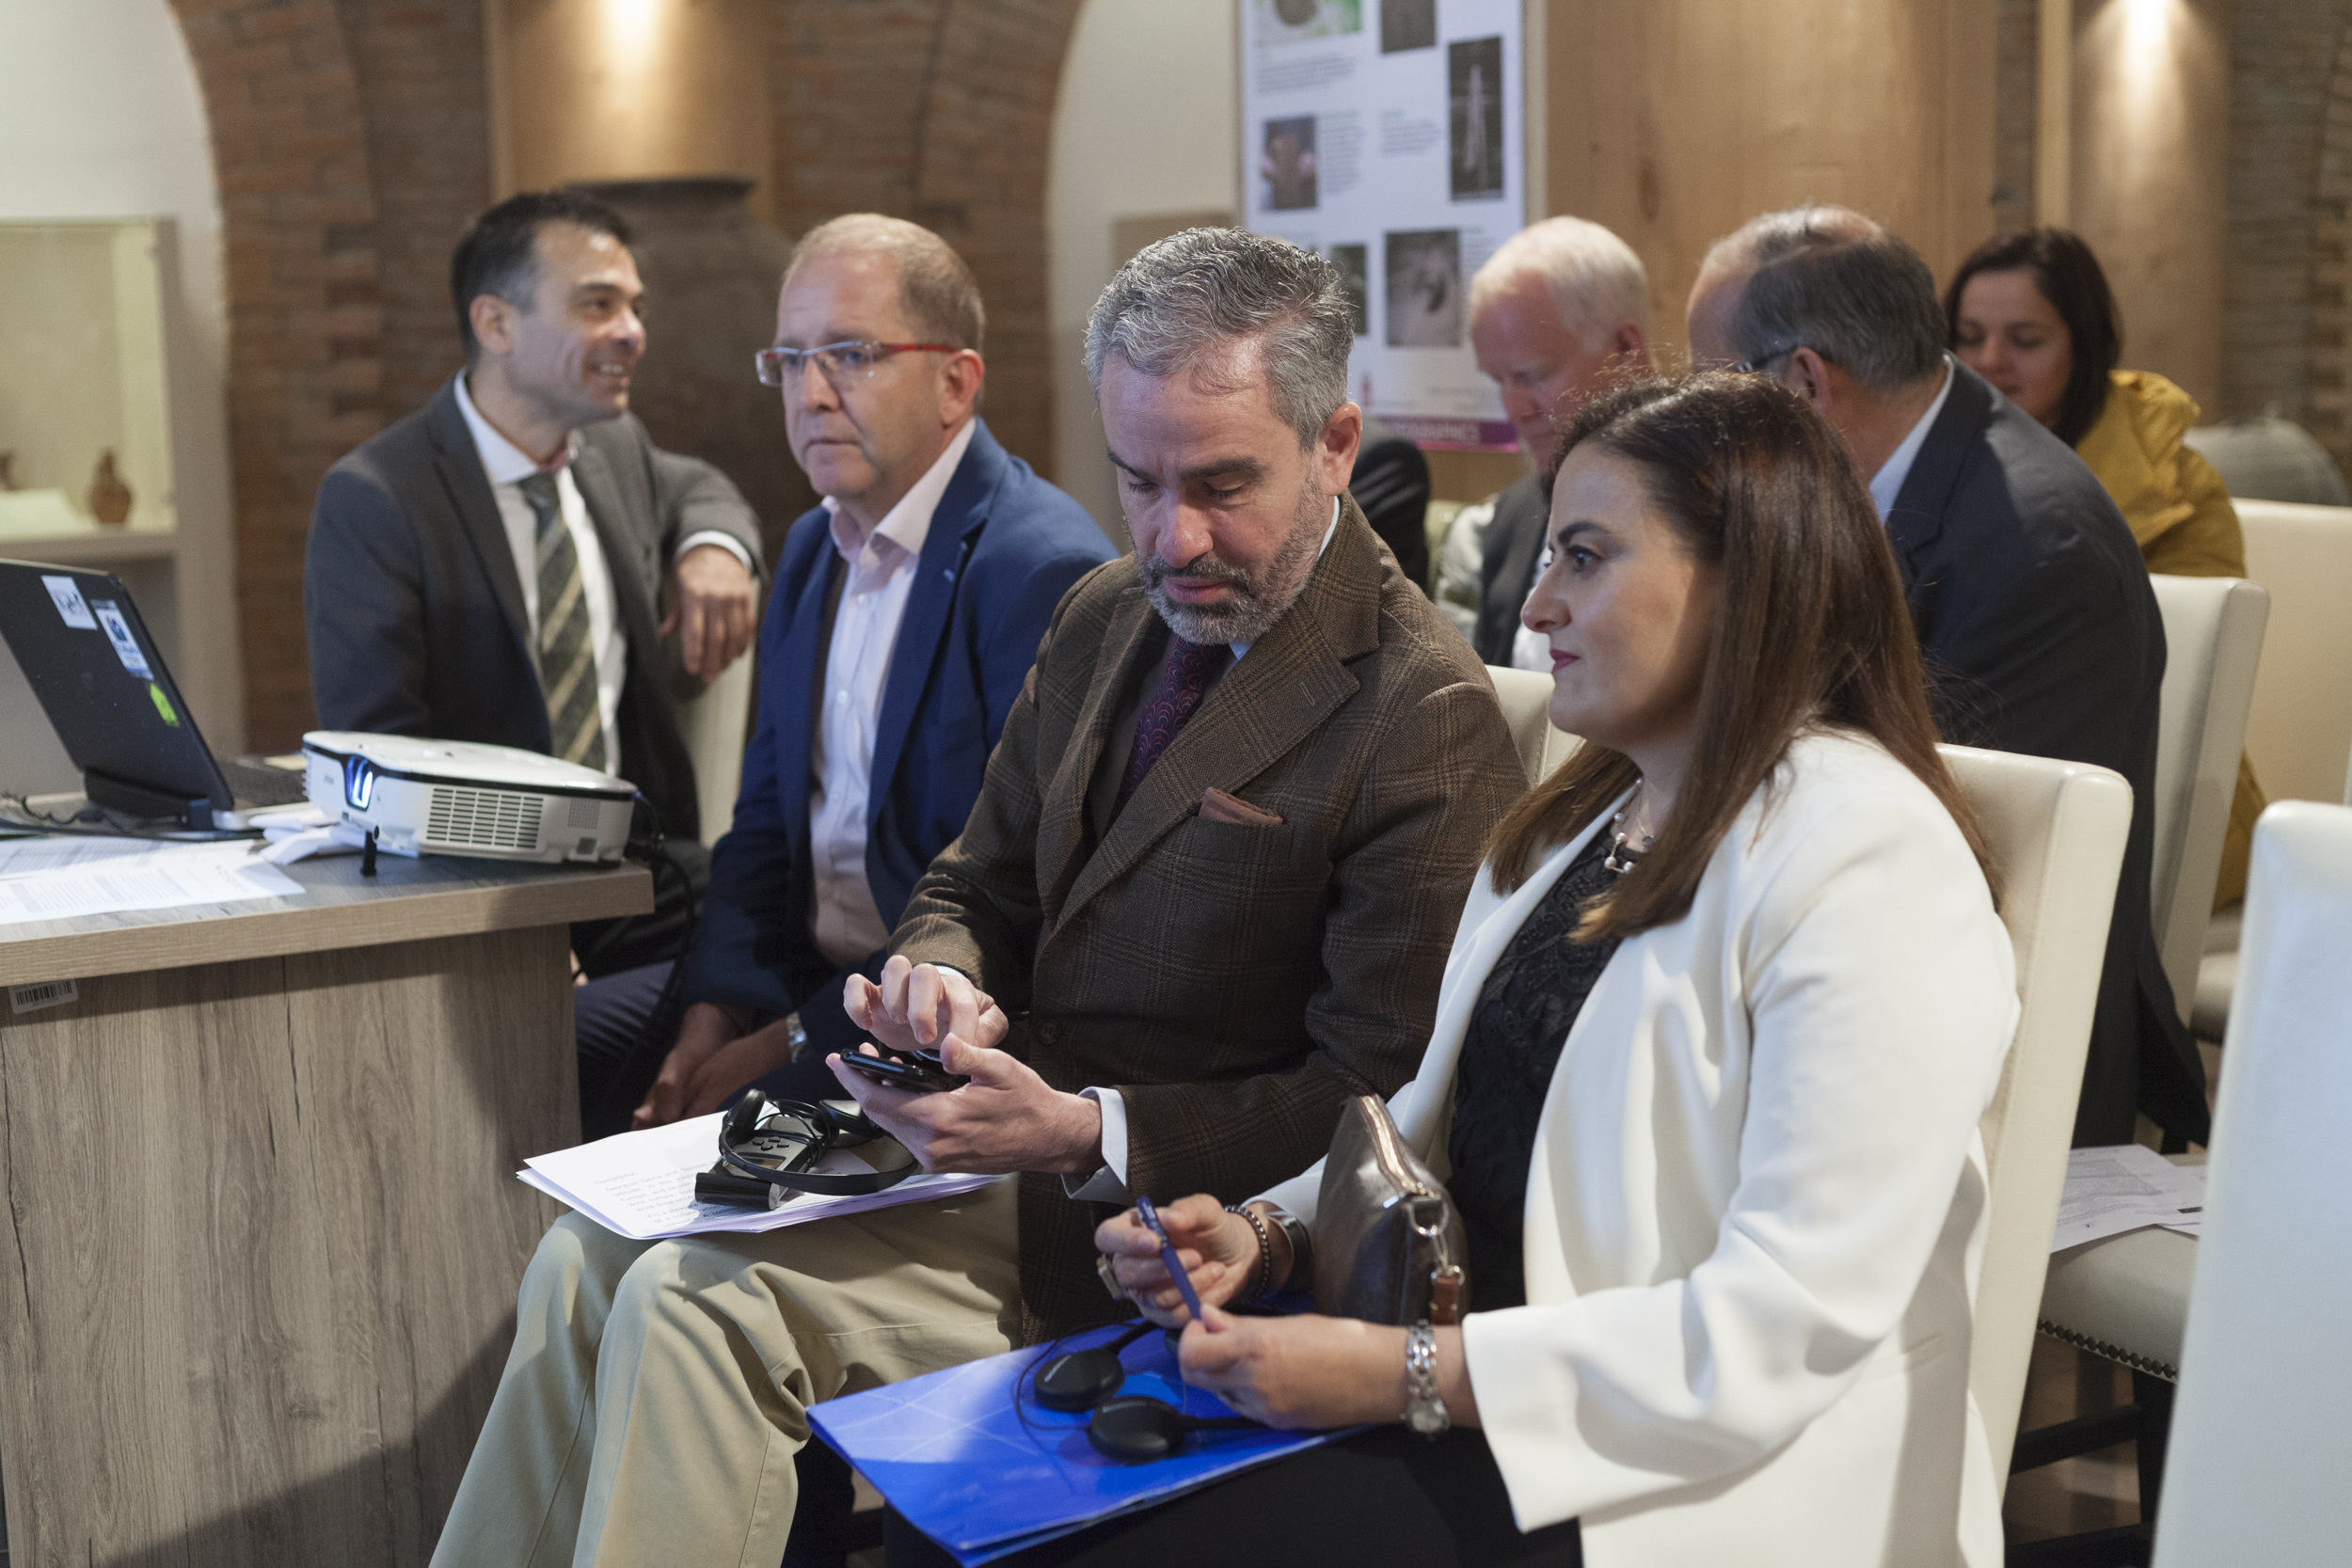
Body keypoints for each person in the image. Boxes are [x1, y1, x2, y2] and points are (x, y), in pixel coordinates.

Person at [426, 227, 1525, 1567]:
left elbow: (1374, 1097)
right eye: (1138, 481)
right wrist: (938, 973)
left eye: (1222, 484)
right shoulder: (1108, 611)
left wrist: (1081, 1128)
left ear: (1335, 443)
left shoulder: (1420, 708)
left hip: (1149, 1229)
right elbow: (973, 876)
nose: (1173, 535)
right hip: (975, 1153)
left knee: (692, 1308)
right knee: (577, 1263)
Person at [898, 372, 2018, 1568]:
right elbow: (1434, 1127)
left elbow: (1788, 1320)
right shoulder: (1593, 816)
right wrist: (1263, 1234)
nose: (1536, 605)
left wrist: (1398, 1370)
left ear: (1747, 576)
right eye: (1548, 554)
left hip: (1679, 1472)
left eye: (1584, 556)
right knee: (953, 1512)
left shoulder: (1869, 857)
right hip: (1475, 1379)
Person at [569, 214, 1115, 1131]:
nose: (812, 394)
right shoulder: (810, 546)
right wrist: (714, 1011)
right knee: (538, 1054)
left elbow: (1015, 895)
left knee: (689, 1148)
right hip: (792, 977)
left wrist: (784, 1043)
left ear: (955, 382)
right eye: (791, 360)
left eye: (851, 356)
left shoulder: (1040, 570)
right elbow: (761, 824)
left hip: (939, 1016)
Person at [1687, 205, 2204, 1148]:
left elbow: (1939, 853)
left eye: (1715, 389)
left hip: (1994, 1059)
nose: (1703, 429)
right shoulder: (1870, 472)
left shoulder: (2038, 557)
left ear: (1805, 381)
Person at [305, 189, 762, 981]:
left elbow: (700, 488)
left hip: (639, 869)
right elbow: (380, 765)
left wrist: (714, 548)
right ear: (496, 324)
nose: (633, 332)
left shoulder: (614, 447)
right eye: (598, 305)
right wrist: (517, 929)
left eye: (635, 307)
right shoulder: (378, 498)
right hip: (483, 891)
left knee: (791, 917)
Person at [1947, 226, 2266, 910]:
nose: (1990, 361)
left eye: (2025, 340)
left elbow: (2174, 683)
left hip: (2153, 801)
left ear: (2083, 345)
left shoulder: (2175, 487)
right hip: (2007, 781)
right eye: (1968, 337)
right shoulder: (1940, 469)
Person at [1433, 215, 1652, 667]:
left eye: (1534, 375)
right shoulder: (1496, 527)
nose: (1515, 409)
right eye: (1498, 381)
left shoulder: (1711, 511)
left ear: (1626, 349)